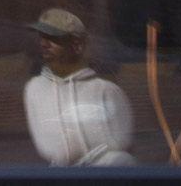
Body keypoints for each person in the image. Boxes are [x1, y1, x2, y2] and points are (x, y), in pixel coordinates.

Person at [23, 10, 136, 168]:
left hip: (101, 174)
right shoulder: (35, 89)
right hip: (59, 175)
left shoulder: (107, 90)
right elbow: (50, 147)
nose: (44, 44)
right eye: (42, 37)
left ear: (77, 45)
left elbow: (121, 143)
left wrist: (78, 144)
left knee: (121, 160)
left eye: (53, 38)